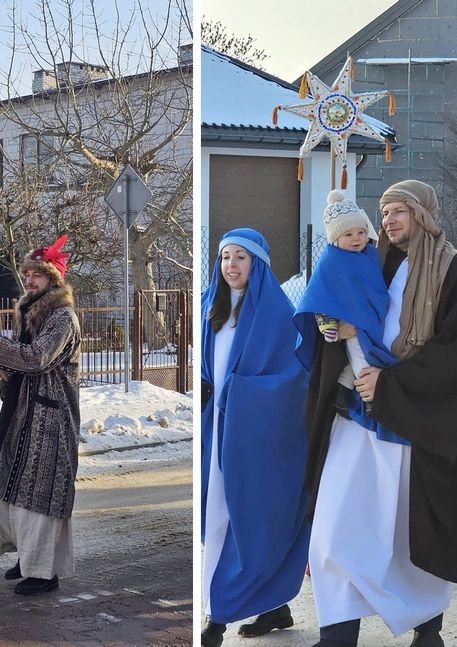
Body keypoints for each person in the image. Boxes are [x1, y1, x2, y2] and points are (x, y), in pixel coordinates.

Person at [305, 180, 457, 647]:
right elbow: (352, 314)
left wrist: (390, 385)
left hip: (413, 425)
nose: (387, 221)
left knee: (408, 540)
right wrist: (339, 327)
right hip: (357, 418)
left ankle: (428, 630)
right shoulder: (375, 261)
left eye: (399, 211)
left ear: (423, 213)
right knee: (334, 531)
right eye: (384, 212)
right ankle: (337, 630)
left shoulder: (456, 275)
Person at [200, 228, 309, 647]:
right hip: (218, 431)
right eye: (225, 257)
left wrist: (240, 394)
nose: (231, 265)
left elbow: (292, 378)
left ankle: (218, 614)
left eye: (241, 258)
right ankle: (269, 605)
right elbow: (209, 366)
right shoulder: (213, 306)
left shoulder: (276, 313)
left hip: (255, 436)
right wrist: (211, 388)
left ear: (257, 264)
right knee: (219, 513)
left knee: (252, 514)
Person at [0, 235, 81, 596]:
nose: (30, 280)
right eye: (28, 273)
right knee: (5, 485)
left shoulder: (63, 318)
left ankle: (44, 571)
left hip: (50, 422)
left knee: (38, 495)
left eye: (38, 274)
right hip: (20, 415)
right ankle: (27, 556)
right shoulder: (30, 314)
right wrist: (4, 367)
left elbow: (36, 358)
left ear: (54, 280)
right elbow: (21, 358)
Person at [306, 190, 385, 378]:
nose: (356, 238)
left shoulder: (370, 256)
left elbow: (376, 286)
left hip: (371, 318)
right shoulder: (332, 261)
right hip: (349, 321)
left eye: (361, 232)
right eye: (348, 234)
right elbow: (320, 294)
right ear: (335, 239)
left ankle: (349, 386)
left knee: (370, 352)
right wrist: (328, 325)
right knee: (359, 355)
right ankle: (365, 391)